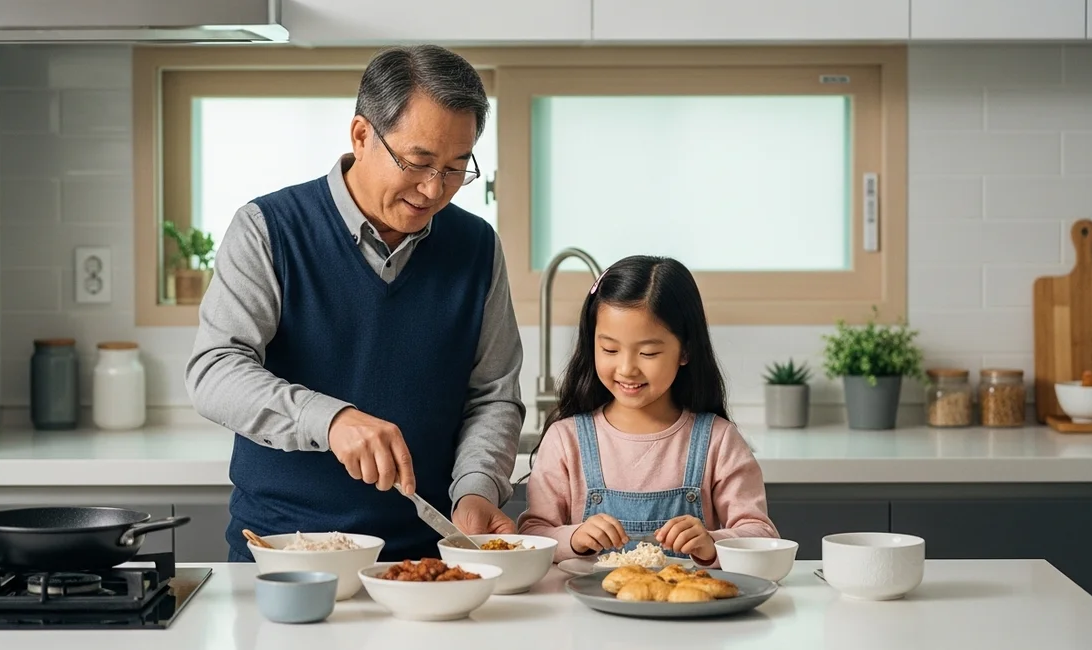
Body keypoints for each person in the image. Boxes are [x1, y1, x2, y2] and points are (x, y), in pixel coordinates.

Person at [186, 44, 525, 563]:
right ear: (362, 135)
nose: (434, 189)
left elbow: (493, 395)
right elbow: (214, 371)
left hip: (428, 562)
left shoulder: (477, 247)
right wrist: (331, 420)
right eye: (418, 162)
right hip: (286, 553)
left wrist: (477, 488)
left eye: (456, 168)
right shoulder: (268, 229)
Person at [517, 255, 777, 566]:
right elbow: (533, 534)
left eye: (648, 352)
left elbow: (761, 534)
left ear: (685, 350)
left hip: (685, 597)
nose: (627, 368)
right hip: (588, 600)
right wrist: (574, 538)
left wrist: (712, 543)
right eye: (610, 349)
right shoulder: (565, 440)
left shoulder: (718, 440)